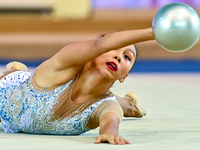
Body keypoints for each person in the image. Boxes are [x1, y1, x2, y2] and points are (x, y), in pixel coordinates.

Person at [0, 27, 154, 145]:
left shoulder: (107, 105)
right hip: (10, 92)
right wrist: (153, 32)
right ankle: (17, 70)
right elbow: (99, 44)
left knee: (116, 105)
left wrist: (109, 132)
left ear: (124, 76)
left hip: (98, 97)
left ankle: (130, 105)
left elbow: (110, 120)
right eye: (114, 48)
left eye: (127, 57)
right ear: (94, 52)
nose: (118, 56)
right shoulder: (62, 65)